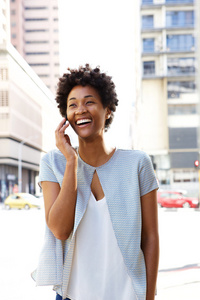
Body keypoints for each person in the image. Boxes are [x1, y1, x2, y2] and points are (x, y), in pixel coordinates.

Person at [32, 64, 159, 300]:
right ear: (66, 116)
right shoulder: (54, 163)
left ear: (108, 110)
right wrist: (71, 162)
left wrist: (149, 297)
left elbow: (150, 238)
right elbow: (59, 230)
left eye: (89, 102)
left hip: (128, 295)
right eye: (72, 105)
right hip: (72, 295)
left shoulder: (137, 163)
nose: (80, 110)